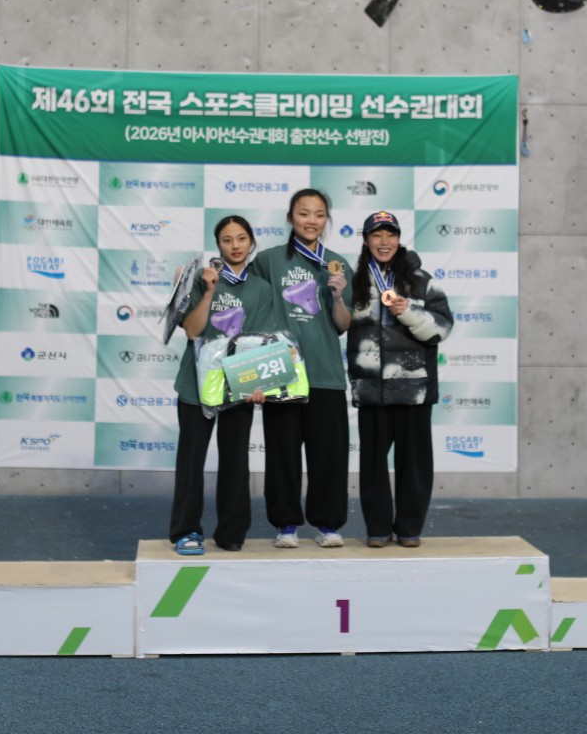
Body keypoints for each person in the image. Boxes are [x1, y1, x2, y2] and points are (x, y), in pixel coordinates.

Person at [168, 216, 280, 555]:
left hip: (237, 383)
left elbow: (258, 341)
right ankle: (187, 530)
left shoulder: (261, 289)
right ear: (218, 245)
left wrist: (256, 383)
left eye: (241, 238)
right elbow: (192, 331)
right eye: (227, 240)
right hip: (195, 385)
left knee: (235, 461)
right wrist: (209, 292)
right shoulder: (202, 280)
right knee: (191, 462)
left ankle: (231, 531)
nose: (235, 245)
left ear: (251, 242)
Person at [249, 188, 353, 549]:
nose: (312, 221)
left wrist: (337, 296)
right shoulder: (268, 261)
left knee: (329, 455)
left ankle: (328, 524)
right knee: (283, 454)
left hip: (325, 371)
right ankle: (286, 525)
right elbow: (245, 299)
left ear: (327, 220)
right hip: (281, 372)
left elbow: (343, 324)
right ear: (291, 217)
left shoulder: (337, 264)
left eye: (319, 214)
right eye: (304, 213)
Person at [347, 210, 452, 549]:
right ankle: (378, 528)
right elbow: (338, 323)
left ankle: (409, 529)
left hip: (414, 389)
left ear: (398, 239)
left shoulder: (423, 281)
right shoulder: (355, 282)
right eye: (376, 235)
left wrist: (409, 312)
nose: (384, 241)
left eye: (390, 234)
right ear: (366, 241)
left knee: (414, 465)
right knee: (373, 466)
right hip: (371, 388)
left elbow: (443, 329)